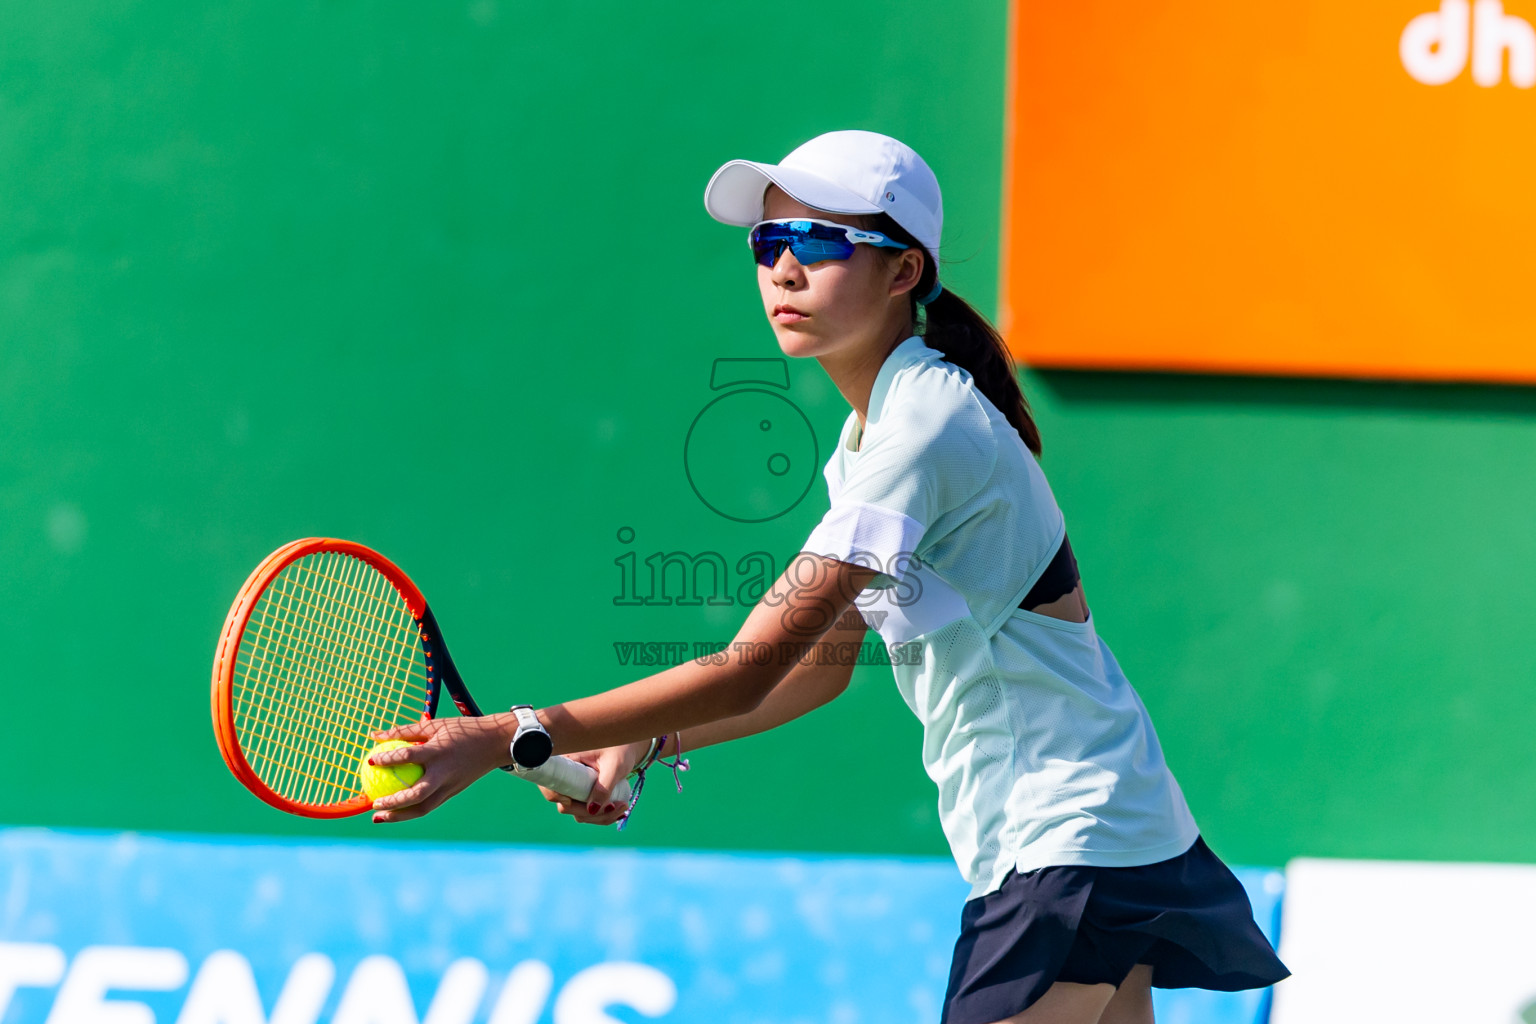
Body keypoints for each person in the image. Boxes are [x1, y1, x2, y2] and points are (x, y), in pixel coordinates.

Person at [366, 129, 1290, 1024]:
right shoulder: (872, 442)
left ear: (904, 271)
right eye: (769, 242)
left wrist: (506, 733)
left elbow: (749, 666)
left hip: (1066, 841)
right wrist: (648, 741)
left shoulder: (923, 429)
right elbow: (819, 669)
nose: (783, 269)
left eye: (819, 241)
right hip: (1098, 829)